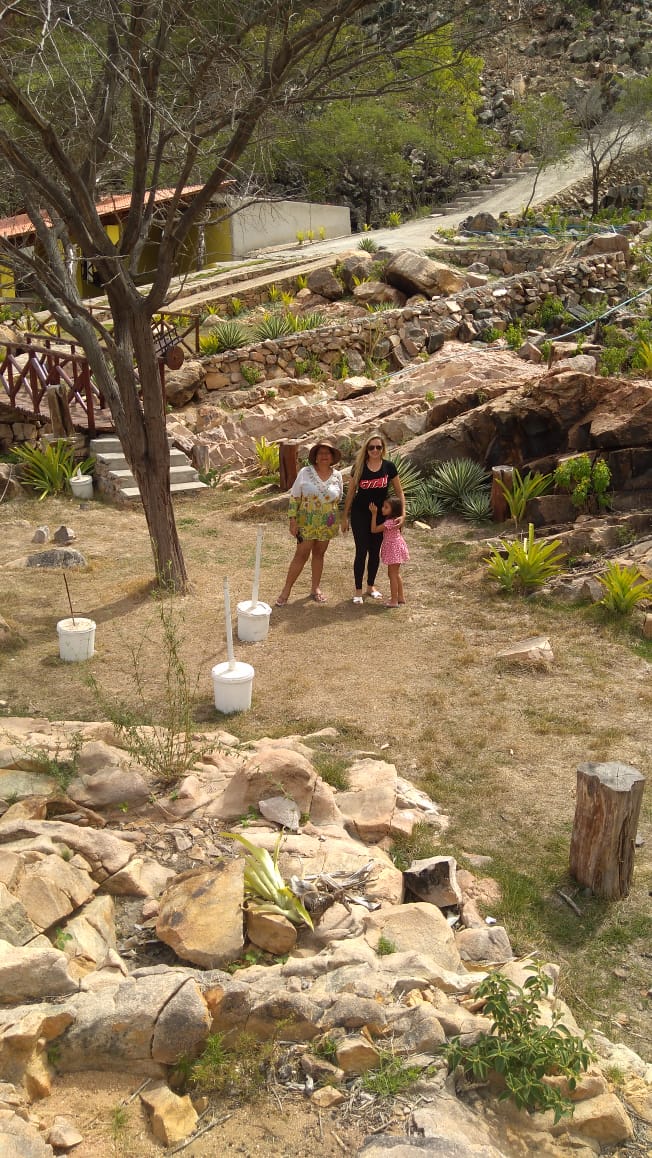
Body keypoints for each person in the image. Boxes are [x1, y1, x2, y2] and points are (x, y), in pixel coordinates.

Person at [275, 440, 343, 606]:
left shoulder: (337, 475)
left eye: (327, 453)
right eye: (321, 453)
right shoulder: (305, 472)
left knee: (319, 554)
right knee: (301, 554)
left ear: (332, 456)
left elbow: (338, 498)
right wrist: (292, 520)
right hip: (306, 522)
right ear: (315, 456)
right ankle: (286, 591)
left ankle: (315, 588)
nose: (324, 456)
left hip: (327, 523)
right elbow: (295, 496)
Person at [340, 433, 405, 604]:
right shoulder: (359, 467)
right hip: (360, 514)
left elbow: (399, 492)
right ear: (366, 449)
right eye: (371, 447)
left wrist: (403, 514)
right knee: (361, 550)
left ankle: (370, 586)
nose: (375, 450)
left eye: (378, 447)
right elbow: (350, 493)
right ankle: (358, 591)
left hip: (380, 514)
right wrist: (344, 516)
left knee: (375, 551)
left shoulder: (389, 467)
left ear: (383, 449)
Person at [370, 497, 409, 607]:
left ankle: (394, 601)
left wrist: (374, 514)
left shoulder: (390, 522)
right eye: (383, 506)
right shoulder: (395, 520)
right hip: (397, 547)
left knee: (392, 575)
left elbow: (374, 529)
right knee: (395, 574)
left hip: (393, 548)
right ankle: (400, 597)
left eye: (386, 507)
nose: (383, 508)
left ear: (393, 510)